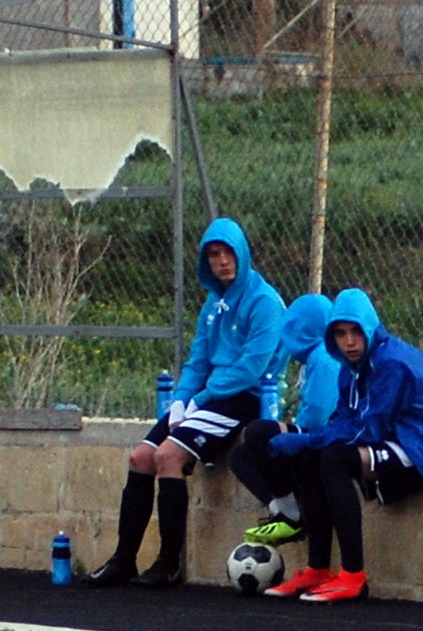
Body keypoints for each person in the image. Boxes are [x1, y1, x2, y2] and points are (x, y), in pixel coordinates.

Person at [90, 219, 284, 588]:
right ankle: (124, 559)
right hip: (206, 396)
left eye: (228, 252)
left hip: (243, 398)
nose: (222, 260)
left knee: (168, 457)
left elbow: (251, 367)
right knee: (141, 458)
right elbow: (198, 360)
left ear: (242, 254)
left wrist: (201, 398)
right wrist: (181, 400)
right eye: (214, 254)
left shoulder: (264, 302)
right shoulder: (213, 304)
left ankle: (169, 563)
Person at [262, 289, 423, 605]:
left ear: (370, 328)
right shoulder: (350, 368)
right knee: (310, 457)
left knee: (334, 459)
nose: (349, 341)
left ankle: (353, 576)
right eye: (340, 333)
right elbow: (343, 419)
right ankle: (318, 569)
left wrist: (305, 438)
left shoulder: (392, 364)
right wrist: (308, 444)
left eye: (356, 332)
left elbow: (368, 429)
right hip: (402, 437)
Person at [232, 292, 343, 546]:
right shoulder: (314, 358)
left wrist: (295, 434)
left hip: (325, 436)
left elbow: (319, 413)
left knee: (259, 432)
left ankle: (292, 517)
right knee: (241, 457)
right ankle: (284, 509)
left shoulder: (325, 356)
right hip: (317, 433)